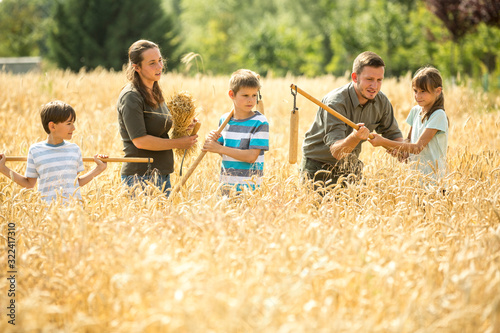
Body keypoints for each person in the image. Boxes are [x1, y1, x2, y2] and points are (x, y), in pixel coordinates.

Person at [301, 51, 403, 190]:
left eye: (379, 80)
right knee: (317, 211)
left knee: (361, 210)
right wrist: (356, 137)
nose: (375, 86)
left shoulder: (381, 101)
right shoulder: (335, 103)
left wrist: (408, 150)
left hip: (350, 165)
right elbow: (338, 152)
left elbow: (395, 138)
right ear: (355, 77)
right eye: (369, 79)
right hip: (318, 165)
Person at [117, 40, 197, 194]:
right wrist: (178, 143)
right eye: (152, 63)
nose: (159, 67)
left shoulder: (155, 91)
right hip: (140, 176)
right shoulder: (131, 97)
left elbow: (157, 127)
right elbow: (140, 141)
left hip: (161, 172)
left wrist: (183, 126)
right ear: (137, 67)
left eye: (160, 60)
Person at [0, 101, 108, 203]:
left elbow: (74, 183)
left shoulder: (74, 149)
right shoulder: (35, 150)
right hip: (48, 213)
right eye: (69, 123)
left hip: (74, 212)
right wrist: (3, 169)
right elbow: (29, 184)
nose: (74, 128)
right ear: (52, 126)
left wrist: (99, 168)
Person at [369, 66, 448, 181]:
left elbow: (417, 148)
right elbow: (409, 140)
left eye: (423, 91)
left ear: (438, 91)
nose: (417, 96)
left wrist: (383, 141)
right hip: (416, 178)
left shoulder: (438, 115)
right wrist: (401, 152)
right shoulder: (416, 111)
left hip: (434, 180)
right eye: (415, 91)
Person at [202, 69, 269, 194]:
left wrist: (220, 149)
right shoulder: (225, 120)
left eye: (254, 95)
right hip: (226, 186)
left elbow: (251, 157)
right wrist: (214, 142)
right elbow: (224, 153)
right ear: (231, 94)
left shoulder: (260, 122)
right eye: (245, 95)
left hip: (249, 189)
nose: (251, 100)